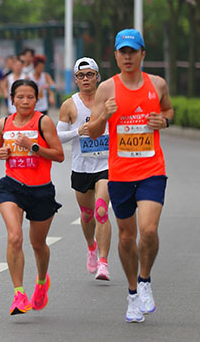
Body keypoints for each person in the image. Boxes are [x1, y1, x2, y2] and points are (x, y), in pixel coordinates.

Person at [87, 29, 173, 323]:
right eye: (122, 52)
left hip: (151, 170)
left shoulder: (157, 84)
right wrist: (104, 116)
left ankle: (145, 281)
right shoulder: (107, 90)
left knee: (148, 230)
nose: (127, 57)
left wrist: (165, 120)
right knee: (126, 236)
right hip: (121, 173)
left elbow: (169, 110)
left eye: (132, 52)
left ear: (142, 54)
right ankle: (133, 293)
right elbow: (94, 132)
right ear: (115, 56)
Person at [0, 78, 64, 316]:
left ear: (37, 99)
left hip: (41, 190)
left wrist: (33, 147)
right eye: (19, 97)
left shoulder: (44, 121)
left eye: (30, 97)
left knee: (38, 244)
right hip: (12, 187)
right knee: (14, 237)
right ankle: (19, 294)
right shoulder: (4, 123)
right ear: (11, 100)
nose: (24, 101)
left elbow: (59, 155)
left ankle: (42, 282)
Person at [57, 57, 111, 281]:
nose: (86, 79)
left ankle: (103, 262)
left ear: (97, 77)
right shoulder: (70, 105)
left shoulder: (109, 100)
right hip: (82, 167)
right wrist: (77, 132)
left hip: (107, 165)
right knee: (87, 214)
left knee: (101, 210)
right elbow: (57, 137)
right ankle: (91, 246)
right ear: (76, 79)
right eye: (81, 75)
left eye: (90, 74)